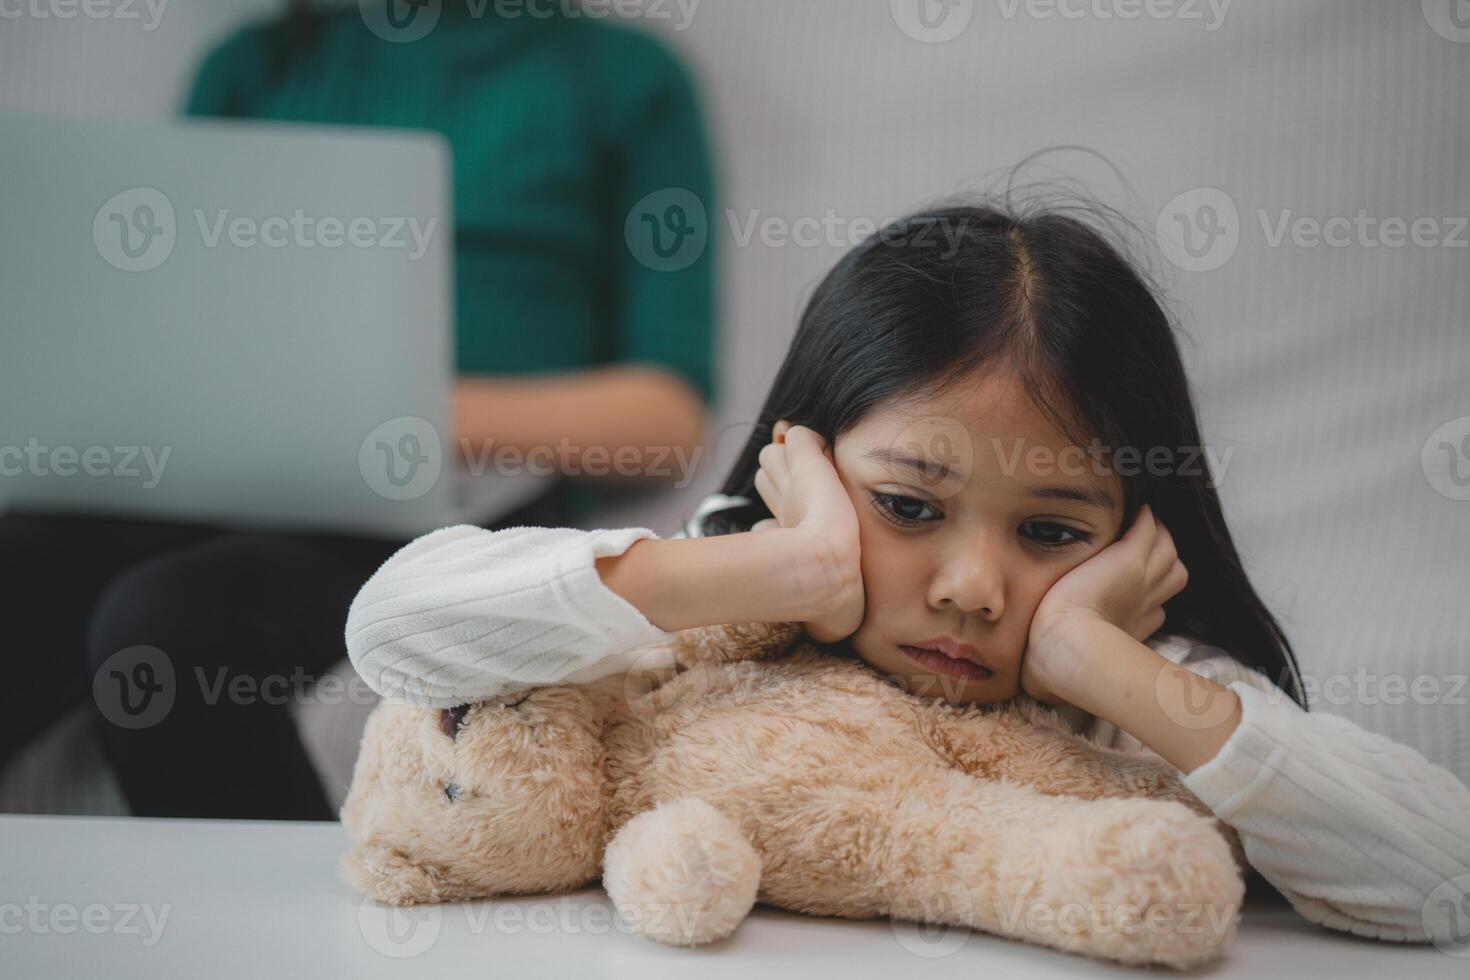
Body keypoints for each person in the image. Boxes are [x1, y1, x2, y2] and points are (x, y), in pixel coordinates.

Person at [343, 201, 1470, 944]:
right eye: (908, 507)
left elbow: (1443, 879)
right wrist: (778, 565)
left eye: (1051, 531)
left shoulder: (1138, 680)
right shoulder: (723, 614)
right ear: (811, 464)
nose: (974, 585)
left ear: (1137, 527)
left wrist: (1098, 662)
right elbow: (392, 628)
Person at [0, 1, 717, 820]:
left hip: (457, 495)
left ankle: (279, 944)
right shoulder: (250, 66)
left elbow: (667, 420)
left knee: (170, 620)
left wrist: (391, 410)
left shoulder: (623, 76)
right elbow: (174, 314)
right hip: (226, 460)